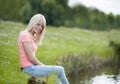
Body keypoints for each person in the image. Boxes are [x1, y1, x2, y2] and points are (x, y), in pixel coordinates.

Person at [18, 14, 69, 84]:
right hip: (28, 69)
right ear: (33, 23)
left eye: (42, 26)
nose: (40, 27)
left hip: (32, 67)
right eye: (38, 24)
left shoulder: (33, 36)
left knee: (58, 73)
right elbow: (31, 58)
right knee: (60, 69)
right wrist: (42, 65)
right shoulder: (25, 35)